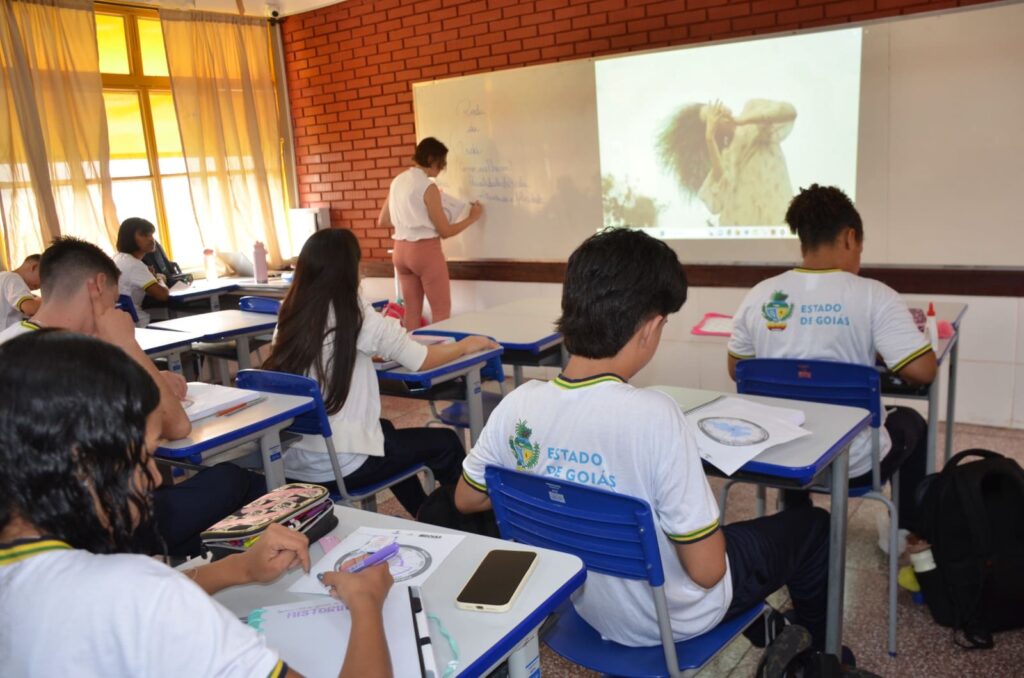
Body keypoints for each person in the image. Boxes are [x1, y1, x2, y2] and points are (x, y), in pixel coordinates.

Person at [455, 228, 834, 654]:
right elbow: (707, 572)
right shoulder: (654, 415)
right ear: (651, 327)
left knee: (707, 537)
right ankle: (816, 658)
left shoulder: (516, 406)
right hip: (671, 623)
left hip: (583, 604)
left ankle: (777, 633)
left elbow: (466, 500)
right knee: (813, 528)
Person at [0, 331, 395, 677]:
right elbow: (141, 599)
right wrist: (365, 604)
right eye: (143, 458)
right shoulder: (135, 594)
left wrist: (238, 567)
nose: (154, 478)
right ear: (85, 461)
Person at [0, 237, 262, 557]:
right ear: (97, 286)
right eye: (112, 303)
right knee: (237, 480)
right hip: (96, 528)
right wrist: (127, 344)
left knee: (190, 517)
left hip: (26, 532)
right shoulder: (78, 358)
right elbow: (177, 426)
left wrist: (150, 376)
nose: (113, 312)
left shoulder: (13, 345)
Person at [727, 184, 935, 543]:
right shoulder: (875, 296)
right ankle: (907, 537)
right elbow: (923, 371)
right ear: (850, 238)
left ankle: (796, 517)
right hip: (853, 466)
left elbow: (737, 369)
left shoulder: (760, 295)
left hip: (778, 455)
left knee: (799, 416)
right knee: (912, 421)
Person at [265, 228, 497, 518]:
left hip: (296, 462)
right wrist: (464, 346)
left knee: (385, 430)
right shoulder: (354, 313)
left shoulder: (289, 316)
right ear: (349, 269)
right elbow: (421, 359)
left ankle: (425, 515)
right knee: (445, 443)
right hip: (342, 466)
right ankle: (473, 523)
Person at [378, 137, 484, 329]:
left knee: (411, 311)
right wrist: (472, 218)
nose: (442, 168)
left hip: (400, 252)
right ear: (431, 158)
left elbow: (382, 221)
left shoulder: (398, 181)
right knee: (441, 311)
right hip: (424, 252)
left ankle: (411, 358)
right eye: (441, 163)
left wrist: (410, 219)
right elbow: (445, 231)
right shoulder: (428, 187)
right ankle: (442, 358)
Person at [659, 99, 796, 227]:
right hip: (745, 227)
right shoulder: (725, 155)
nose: (721, 113)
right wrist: (709, 139)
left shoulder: (753, 113)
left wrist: (743, 120)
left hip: (777, 219)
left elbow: (789, 112)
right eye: (713, 117)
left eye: (717, 108)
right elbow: (719, 193)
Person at [114, 217, 171, 325]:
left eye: (151, 235)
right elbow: (163, 295)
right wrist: (160, 279)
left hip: (122, 321)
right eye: (144, 235)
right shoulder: (134, 265)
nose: (151, 239)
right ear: (129, 238)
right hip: (138, 323)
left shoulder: (119, 258)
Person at [0, 253, 41, 330]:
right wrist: (48, 299)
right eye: (43, 278)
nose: (40, 286)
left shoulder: (3, 277)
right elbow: (30, 309)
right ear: (34, 267)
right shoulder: (13, 278)